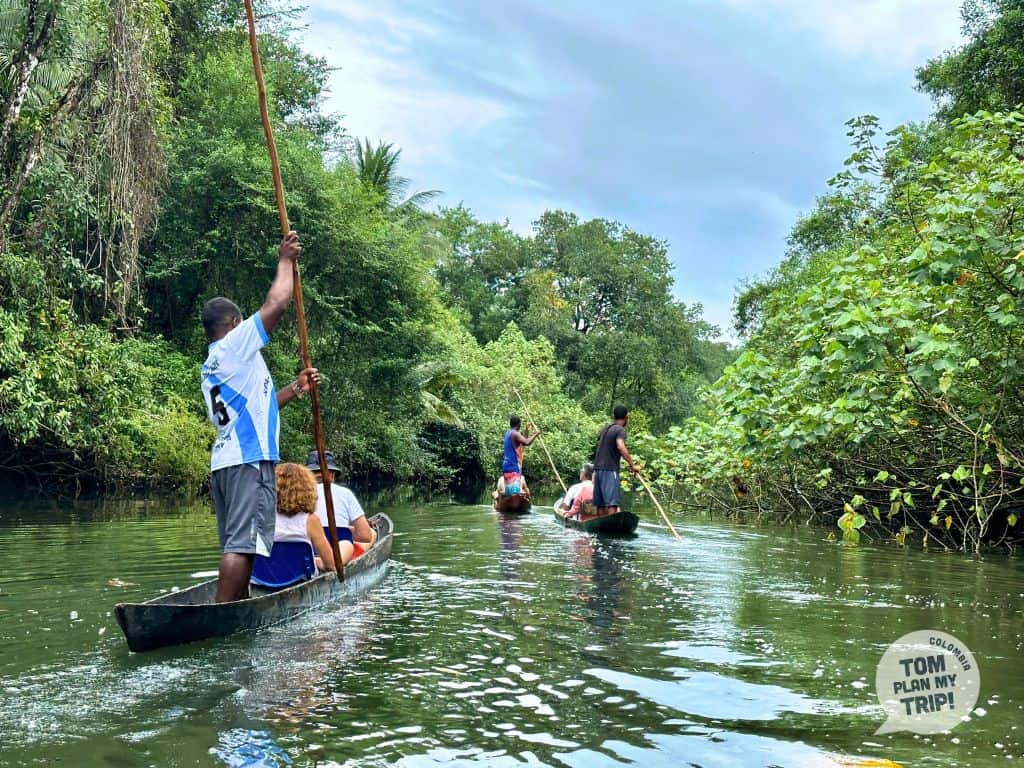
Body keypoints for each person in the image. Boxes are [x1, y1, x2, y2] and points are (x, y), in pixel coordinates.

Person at [200, 230, 319, 603]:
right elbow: (278, 302)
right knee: (241, 544)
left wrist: (297, 388)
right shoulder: (234, 345)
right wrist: (285, 259)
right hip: (249, 462)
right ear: (234, 324)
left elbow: (261, 406)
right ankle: (223, 616)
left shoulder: (213, 365)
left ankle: (235, 608)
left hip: (228, 463)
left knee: (243, 543)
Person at [306, 449, 376, 565]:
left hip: (305, 551)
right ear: (332, 475)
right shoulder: (344, 493)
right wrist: (348, 530)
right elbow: (365, 535)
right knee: (372, 533)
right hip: (335, 552)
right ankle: (345, 563)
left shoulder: (294, 496)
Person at [273, 462, 336, 573]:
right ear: (307, 489)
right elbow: (330, 564)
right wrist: (315, 561)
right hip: (299, 578)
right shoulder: (311, 520)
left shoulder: (261, 519)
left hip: (264, 579)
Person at [592, 405, 640, 516]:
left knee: (601, 504)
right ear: (626, 417)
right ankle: (610, 529)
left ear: (614, 416)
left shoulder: (606, 429)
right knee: (612, 503)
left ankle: (601, 530)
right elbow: (620, 446)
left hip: (598, 469)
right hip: (609, 469)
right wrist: (632, 465)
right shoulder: (619, 430)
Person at [499, 415, 540, 496]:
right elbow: (527, 442)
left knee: (509, 493)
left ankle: (509, 502)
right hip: (513, 466)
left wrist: (527, 430)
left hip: (506, 466)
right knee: (515, 494)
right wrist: (536, 434)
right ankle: (514, 503)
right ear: (518, 424)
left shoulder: (508, 433)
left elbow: (523, 440)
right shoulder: (515, 434)